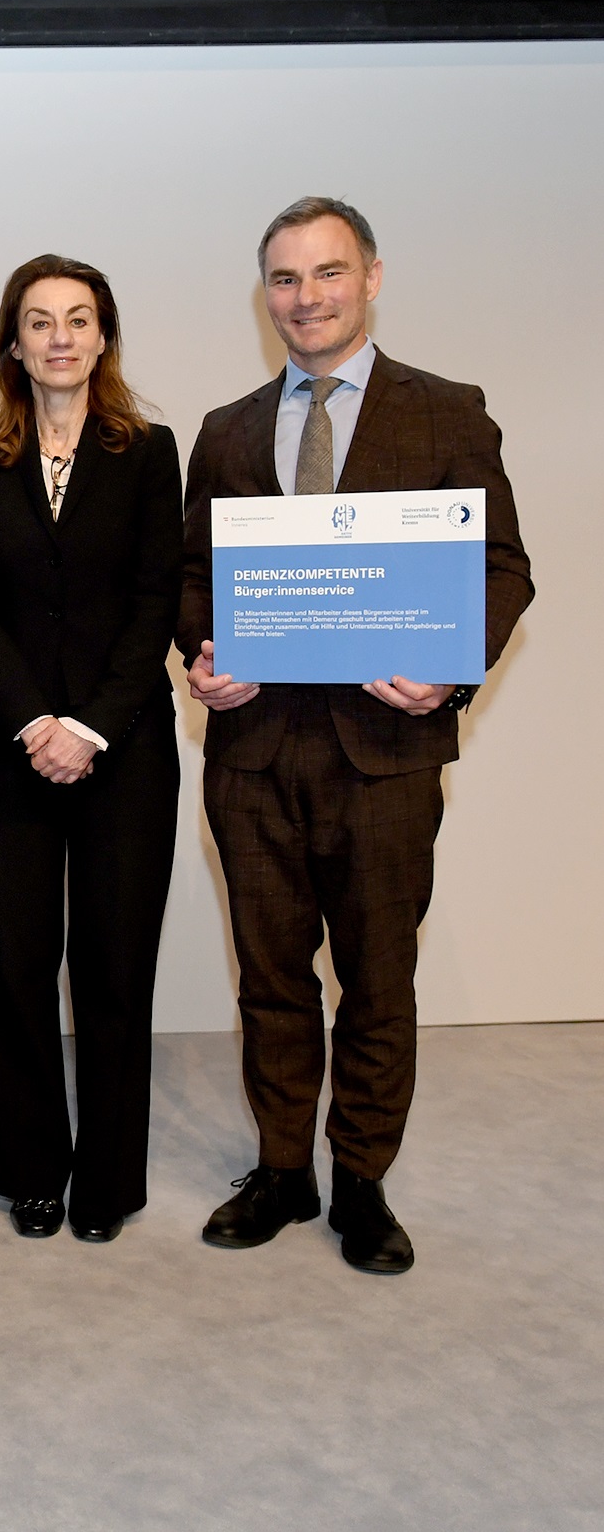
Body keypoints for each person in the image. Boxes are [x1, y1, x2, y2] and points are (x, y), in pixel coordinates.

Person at [179, 197, 533, 1274]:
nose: (306, 298)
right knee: (268, 976)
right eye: (284, 280)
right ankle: (281, 1166)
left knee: (377, 977)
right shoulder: (226, 429)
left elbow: (502, 568)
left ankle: (361, 1179)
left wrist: (448, 665)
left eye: (326, 273)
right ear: (264, 295)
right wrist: (199, 648)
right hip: (252, 753)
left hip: (384, 751)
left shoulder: (446, 412)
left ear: (370, 276)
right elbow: (192, 577)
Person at [0, 256, 183, 1244]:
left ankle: (108, 1180)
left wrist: (85, 725)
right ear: (11, 343)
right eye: (37, 320)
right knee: (13, 965)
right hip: (12, 751)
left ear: (101, 338)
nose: (57, 336)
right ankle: (32, 1168)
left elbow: (153, 599)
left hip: (121, 750)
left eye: (76, 320)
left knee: (113, 968)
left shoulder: (146, 449)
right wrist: (31, 721)